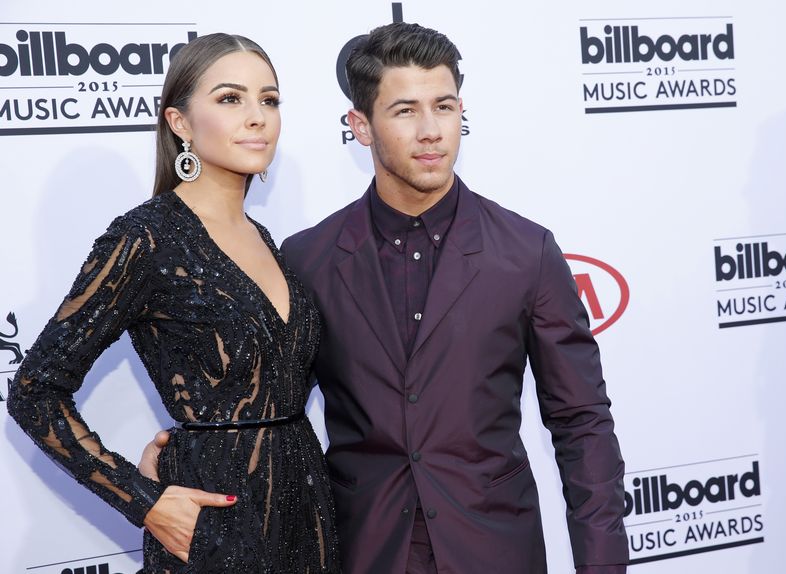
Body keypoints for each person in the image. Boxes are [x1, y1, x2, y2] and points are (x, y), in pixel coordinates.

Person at [142, 22, 628, 573]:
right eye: (404, 111)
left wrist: (603, 565)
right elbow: (272, 409)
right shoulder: (310, 259)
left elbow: (582, 422)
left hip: (494, 547)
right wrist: (186, 459)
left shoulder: (526, 251)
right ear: (361, 126)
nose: (431, 131)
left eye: (444, 107)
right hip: (360, 549)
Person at [7, 33, 339, 574]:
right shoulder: (147, 239)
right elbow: (34, 391)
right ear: (180, 123)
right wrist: (143, 500)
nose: (257, 116)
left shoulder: (267, 240)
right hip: (214, 529)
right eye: (230, 99)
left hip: (308, 516)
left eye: (269, 99)